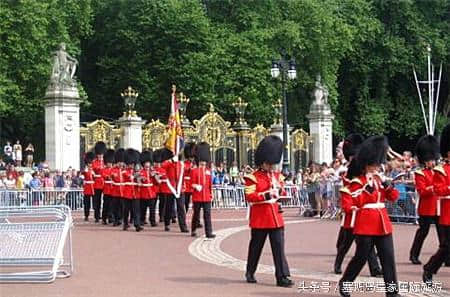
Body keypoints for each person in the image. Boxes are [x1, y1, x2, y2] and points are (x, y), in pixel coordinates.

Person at [339, 136, 400, 297]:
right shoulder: (357, 183)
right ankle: (345, 283)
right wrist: (367, 190)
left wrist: (388, 187)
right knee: (361, 257)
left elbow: (394, 197)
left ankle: (392, 292)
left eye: (377, 165)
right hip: (365, 224)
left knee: (388, 258)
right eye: (373, 165)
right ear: (366, 166)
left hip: (383, 223)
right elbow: (352, 203)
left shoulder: (381, 180)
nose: (376, 168)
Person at [243, 135, 293, 288]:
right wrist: (266, 194)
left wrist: (282, 194)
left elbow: (281, 192)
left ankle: (282, 276)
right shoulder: (252, 177)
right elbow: (249, 196)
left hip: (276, 217)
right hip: (260, 218)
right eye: (268, 163)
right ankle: (250, 271)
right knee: (256, 247)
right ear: (262, 161)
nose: (271, 166)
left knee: (279, 248)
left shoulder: (278, 176)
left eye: (272, 163)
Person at [334, 133, 383, 276]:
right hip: (353, 216)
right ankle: (338, 263)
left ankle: (375, 268)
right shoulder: (349, 170)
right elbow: (348, 187)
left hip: (364, 215)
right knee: (345, 244)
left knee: (368, 245)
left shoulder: (363, 167)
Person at [409, 135, 443, 265]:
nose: (432, 162)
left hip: (438, 207)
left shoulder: (439, 171)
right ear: (424, 160)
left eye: (433, 159)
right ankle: (414, 254)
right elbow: (422, 191)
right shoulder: (420, 173)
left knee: (443, 234)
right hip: (426, 207)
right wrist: (434, 188)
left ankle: (445, 257)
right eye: (429, 160)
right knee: (423, 232)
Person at [423, 123, 450, 284]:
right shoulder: (441, 170)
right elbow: (438, 190)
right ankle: (429, 269)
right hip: (448, 214)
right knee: (446, 247)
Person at [190, 142, 215, 238]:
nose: (204, 163)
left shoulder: (208, 171)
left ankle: (209, 232)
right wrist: (196, 186)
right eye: (202, 161)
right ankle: (193, 229)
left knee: (207, 215)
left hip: (206, 196)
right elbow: (191, 183)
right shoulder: (195, 171)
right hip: (197, 197)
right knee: (196, 215)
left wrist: (211, 195)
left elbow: (209, 184)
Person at [162, 148, 189, 233]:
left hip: (180, 188)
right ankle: (166, 223)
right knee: (168, 207)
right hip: (171, 188)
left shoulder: (182, 164)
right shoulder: (169, 163)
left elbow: (187, 170)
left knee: (181, 207)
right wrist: (171, 160)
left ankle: (183, 226)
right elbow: (163, 166)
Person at [121, 149, 142, 232]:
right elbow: (129, 177)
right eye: (130, 164)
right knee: (126, 210)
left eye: (133, 164)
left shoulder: (136, 171)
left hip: (135, 193)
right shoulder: (124, 171)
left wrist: (140, 179)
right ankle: (125, 223)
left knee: (136, 210)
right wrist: (135, 175)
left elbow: (138, 179)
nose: (132, 165)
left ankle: (137, 225)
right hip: (127, 193)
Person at [139, 150, 158, 227]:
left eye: (148, 163)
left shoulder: (153, 171)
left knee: (152, 209)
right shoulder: (141, 172)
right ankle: (142, 220)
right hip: (143, 193)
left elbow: (157, 182)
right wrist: (141, 179)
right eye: (146, 163)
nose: (147, 165)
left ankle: (152, 221)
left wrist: (154, 176)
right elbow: (139, 181)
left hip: (151, 193)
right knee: (143, 208)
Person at [92, 141, 106, 223]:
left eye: (101, 154)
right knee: (97, 201)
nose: (100, 155)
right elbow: (95, 170)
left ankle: (105, 215)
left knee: (106, 200)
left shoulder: (105, 162)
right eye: (99, 154)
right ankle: (97, 216)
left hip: (104, 183)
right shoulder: (94, 162)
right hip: (97, 183)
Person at [111, 148, 125, 226]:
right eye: (119, 162)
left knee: (122, 207)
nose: (120, 163)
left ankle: (121, 218)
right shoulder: (113, 170)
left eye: (121, 162)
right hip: (115, 191)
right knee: (115, 207)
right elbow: (111, 176)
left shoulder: (125, 170)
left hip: (123, 191)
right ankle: (116, 220)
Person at [101, 149, 115, 225]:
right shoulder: (104, 170)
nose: (109, 164)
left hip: (113, 189)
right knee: (106, 205)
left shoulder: (113, 169)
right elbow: (104, 176)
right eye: (108, 162)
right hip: (106, 189)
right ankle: (104, 218)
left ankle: (111, 217)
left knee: (112, 205)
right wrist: (109, 177)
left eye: (110, 162)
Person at [81, 152, 95, 221]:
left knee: (95, 202)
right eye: (89, 163)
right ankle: (86, 215)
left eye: (91, 163)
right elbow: (82, 173)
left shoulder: (93, 170)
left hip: (93, 187)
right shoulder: (85, 170)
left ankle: (96, 215)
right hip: (87, 188)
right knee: (87, 203)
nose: (90, 165)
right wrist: (86, 169)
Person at [183, 143, 195, 213]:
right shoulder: (184, 163)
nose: (192, 159)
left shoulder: (194, 164)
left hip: (192, 186)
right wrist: (190, 169)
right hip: (186, 186)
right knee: (185, 203)